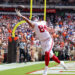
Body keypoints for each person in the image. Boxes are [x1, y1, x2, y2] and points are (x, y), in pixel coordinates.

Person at [15, 9, 67, 75]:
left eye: (33, 18)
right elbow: (29, 22)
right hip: (42, 42)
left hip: (48, 40)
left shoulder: (38, 23)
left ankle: (45, 71)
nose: (33, 19)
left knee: (47, 53)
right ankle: (61, 63)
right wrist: (21, 16)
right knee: (51, 55)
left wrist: (21, 15)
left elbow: (28, 21)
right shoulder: (41, 22)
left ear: (36, 18)